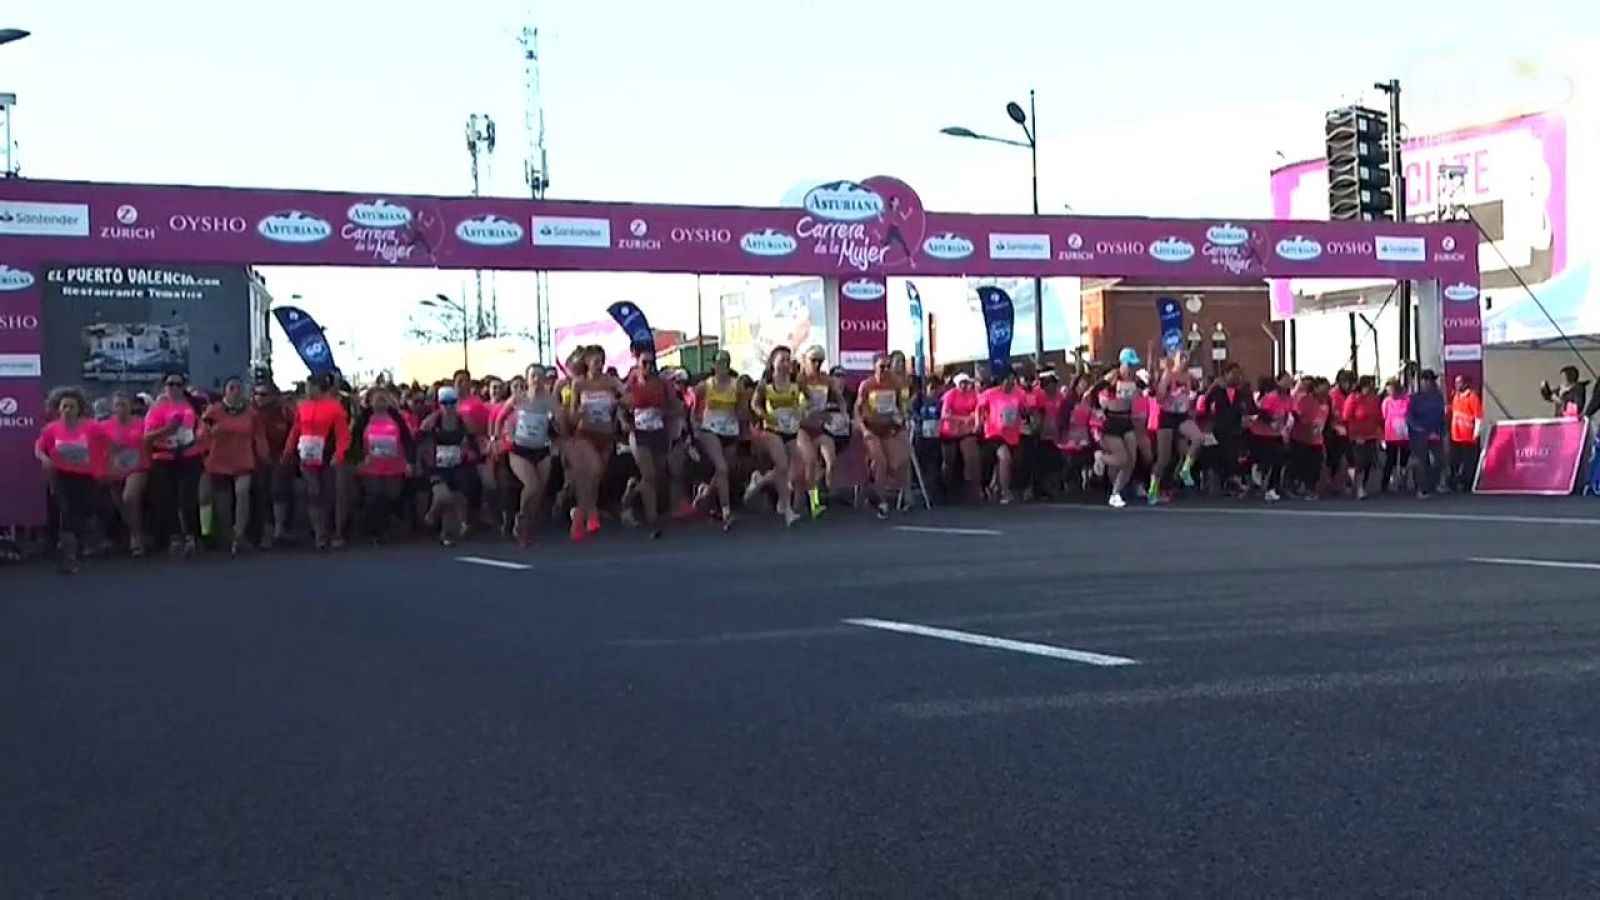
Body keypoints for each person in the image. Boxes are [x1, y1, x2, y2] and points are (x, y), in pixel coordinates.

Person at [35, 387, 107, 571]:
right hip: (63, 476)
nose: (67, 410)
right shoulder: (51, 429)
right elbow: (39, 448)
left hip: (86, 476)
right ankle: (69, 556)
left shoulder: (91, 427)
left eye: (72, 407)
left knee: (85, 511)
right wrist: (45, 460)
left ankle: (87, 544)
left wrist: (105, 463)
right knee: (67, 512)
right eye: (64, 406)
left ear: (79, 409)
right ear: (58, 409)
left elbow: (110, 443)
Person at [282, 372, 351, 550]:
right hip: (307, 456)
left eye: (309, 387)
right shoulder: (303, 407)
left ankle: (328, 529)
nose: (307, 391)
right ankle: (319, 534)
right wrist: (289, 449)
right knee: (313, 493)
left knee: (326, 494)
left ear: (318, 388)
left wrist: (339, 454)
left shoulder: (335, 408)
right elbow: (296, 430)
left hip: (326, 456)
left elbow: (343, 435)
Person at [201, 376, 269, 555]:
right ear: (225, 391)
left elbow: (259, 436)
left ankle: (239, 535)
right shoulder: (214, 411)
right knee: (222, 503)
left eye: (238, 388)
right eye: (231, 388)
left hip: (243, 460)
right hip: (219, 461)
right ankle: (227, 536)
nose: (235, 391)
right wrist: (211, 435)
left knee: (242, 493)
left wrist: (264, 456)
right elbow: (201, 433)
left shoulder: (251, 413)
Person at [622, 342, 682, 538]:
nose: (648, 367)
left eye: (651, 363)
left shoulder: (662, 383)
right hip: (639, 433)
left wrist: (667, 412)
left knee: (657, 475)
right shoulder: (632, 381)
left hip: (658, 431)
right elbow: (620, 404)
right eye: (644, 363)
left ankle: (629, 498)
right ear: (638, 362)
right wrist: (626, 422)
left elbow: (675, 406)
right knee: (648, 475)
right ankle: (652, 520)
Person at [497, 364, 560, 546]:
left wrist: (558, 424)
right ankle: (522, 518)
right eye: (533, 376)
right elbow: (500, 418)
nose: (536, 380)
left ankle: (528, 526)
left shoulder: (549, 401)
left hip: (541, 448)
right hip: (520, 449)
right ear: (527, 379)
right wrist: (497, 438)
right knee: (531, 485)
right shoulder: (519, 398)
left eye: (540, 376)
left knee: (539, 491)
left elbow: (561, 424)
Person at [144, 371, 205, 555]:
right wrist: (168, 430)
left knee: (188, 497)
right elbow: (147, 437)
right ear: (165, 387)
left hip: (190, 456)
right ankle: (174, 536)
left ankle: (192, 536)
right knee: (167, 499)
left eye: (179, 384)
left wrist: (200, 437)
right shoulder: (158, 409)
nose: (175, 388)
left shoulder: (192, 405)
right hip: (165, 457)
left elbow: (203, 426)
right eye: (171, 384)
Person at [746, 345, 805, 527]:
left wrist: (802, 409)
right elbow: (755, 404)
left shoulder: (796, 381)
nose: (786, 364)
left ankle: (761, 480)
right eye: (782, 360)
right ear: (773, 363)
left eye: (788, 360)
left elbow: (808, 398)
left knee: (798, 467)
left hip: (791, 429)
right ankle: (787, 509)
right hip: (772, 429)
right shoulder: (766, 384)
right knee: (783, 465)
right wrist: (766, 416)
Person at [353, 384, 416, 543]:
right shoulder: (363, 418)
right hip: (371, 465)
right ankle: (375, 531)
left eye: (384, 399)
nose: (381, 402)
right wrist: (359, 459)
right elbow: (354, 441)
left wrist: (409, 462)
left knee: (392, 495)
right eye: (378, 399)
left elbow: (407, 440)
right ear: (370, 401)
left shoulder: (396, 418)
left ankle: (386, 525)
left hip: (394, 465)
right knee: (374, 497)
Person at [418, 385, 479, 546]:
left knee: (455, 497)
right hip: (437, 468)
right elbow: (418, 443)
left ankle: (448, 533)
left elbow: (474, 444)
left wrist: (470, 450)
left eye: (452, 402)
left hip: (459, 466)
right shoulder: (432, 422)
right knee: (443, 497)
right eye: (445, 403)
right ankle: (431, 514)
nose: (449, 407)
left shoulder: (464, 421)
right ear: (439, 404)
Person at [692, 350, 743, 528]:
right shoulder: (704, 386)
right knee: (721, 467)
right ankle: (726, 512)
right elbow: (694, 409)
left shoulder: (737, 385)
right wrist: (696, 427)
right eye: (719, 364)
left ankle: (705, 495)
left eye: (725, 364)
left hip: (730, 431)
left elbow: (741, 410)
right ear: (713, 366)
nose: (722, 367)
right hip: (710, 430)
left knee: (722, 471)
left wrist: (743, 429)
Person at [99, 391, 151, 556]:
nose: (121, 408)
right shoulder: (104, 426)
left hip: (138, 465)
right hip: (115, 468)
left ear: (130, 406)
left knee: (129, 497)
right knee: (120, 504)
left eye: (124, 404)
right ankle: (133, 532)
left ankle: (137, 537)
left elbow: (150, 440)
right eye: (117, 405)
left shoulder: (141, 423)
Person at [1098, 349, 1145, 508]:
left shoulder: (1134, 379)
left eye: (1133, 366)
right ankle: (1100, 458)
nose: (1130, 369)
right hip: (1112, 421)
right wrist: (1101, 406)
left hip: (1127, 420)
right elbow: (1095, 391)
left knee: (1131, 460)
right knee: (1121, 458)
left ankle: (1115, 492)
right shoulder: (1113, 376)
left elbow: (1148, 390)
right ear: (1122, 364)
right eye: (1128, 365)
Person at [976, 368, 1026, 504]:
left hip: (1012, 434)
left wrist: (1025, 417)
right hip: (994, 432)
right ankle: (1005, 492)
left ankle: (993, 486)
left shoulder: (1019, 394)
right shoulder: (990, 394)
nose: (1009, 383)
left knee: (1003, 463)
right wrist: (978, 423)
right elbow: (979, 408)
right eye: (1007, 380)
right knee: (1005, 458)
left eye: (1012, 380)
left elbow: (1024, 410)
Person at [939, 373, 981, 502]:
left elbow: (978, 409)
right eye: (961, 383)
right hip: (950, 431)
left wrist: (975, 421)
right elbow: (945, 414)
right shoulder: (950, 395)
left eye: (966, 383)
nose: (964, 385)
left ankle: (972, 489)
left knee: (971, 457)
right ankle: (946, 489)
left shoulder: (973, 394)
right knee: (949, 460)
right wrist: (963, 418)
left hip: (967, 431)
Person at [1406, 369, 1447, 497]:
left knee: (1439, 460)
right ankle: (1421, 488)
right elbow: (1409, 417)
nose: (1429, 383)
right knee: (1421, 462)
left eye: (1431, 380)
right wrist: (1418, 428)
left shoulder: (1438, 397)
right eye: (1427, 380)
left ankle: (1432, 484)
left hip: (1436, 433)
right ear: (1423, 381)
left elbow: (1442, 415)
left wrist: (1442, 431)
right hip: (1420, 435)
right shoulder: (1415, 398)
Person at [1342, 376, 1383, 499]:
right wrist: (1352, 434)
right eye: (1368, 385)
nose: (1370, 388)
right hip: (1357, 435)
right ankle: (1358, 488)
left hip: (1371, 434)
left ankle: (1359, 484)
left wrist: (1380, 431)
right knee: (1360, 462)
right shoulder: (1353, 398)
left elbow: (1378, 416)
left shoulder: (1374, 399)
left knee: (1368, 462)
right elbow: (1346, 417)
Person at [1448, 375, 1485, 492]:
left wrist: (1476, 432)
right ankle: (1454, 483)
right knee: (1454, 461)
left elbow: (1478, 417)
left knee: (1468, 462)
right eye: (1456, 382)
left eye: (1459, 382)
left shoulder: (1473, 397)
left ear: (1465, 384)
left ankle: (1467, 485)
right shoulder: (1455, 396)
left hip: (1468, 436)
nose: (1457, 385)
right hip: (1456, 436)